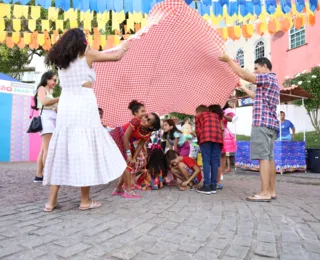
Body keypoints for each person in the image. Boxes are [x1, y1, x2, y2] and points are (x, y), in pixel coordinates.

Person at [42, 28, 129, 212]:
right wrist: (124, 46)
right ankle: (85, 200)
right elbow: (116, 57)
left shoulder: (61, 61)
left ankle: (50, 202)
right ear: (81, 41)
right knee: (84, 148)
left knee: (61, 148)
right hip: (83, 102)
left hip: (66, 103)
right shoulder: (86, 55)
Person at [219, 54, 280, 202]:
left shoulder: (268, 77)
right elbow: (255, 95)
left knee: (263, 158)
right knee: (269, 158)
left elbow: (244, 74)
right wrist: (243, 86)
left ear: (265, 66)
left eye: (256, 68)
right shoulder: (272, 82)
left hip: (262, 123)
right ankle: (271, 191)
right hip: (270, 125)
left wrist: (228, 61)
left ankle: (264, 192)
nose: (255, 71)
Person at [110, 112, 161, 198]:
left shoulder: (147, 133)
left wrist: (134, 158)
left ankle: (118, 189)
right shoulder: (136, 121)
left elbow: (140, 145)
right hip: (118, 136)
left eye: (148, 120)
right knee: (126, 164)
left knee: (130, 164)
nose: (144, 119)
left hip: (127, 142)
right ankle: (128, 190)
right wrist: (129, 154)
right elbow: (125, 137)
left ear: (151, 126)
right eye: (146, 116)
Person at [32, 71, 59, 183]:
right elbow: (45, 102)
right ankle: (48, 175)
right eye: (53, 80)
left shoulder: (50, 91)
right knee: (47, 149)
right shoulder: (41, 89)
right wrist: (59, 98)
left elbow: (54, 107)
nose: (55, 82)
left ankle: (39, 175)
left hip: (51, 119)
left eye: (55, 80)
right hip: (46, 119)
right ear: (46, 79)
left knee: (43, 149)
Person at [195, 104, 223, 194]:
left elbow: (198, 130)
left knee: (206, 160)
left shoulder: (199, 116)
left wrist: (199, 141)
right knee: (215, 161)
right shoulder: (216, 115)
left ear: (198, 112)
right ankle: (213, 186)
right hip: (218, 139)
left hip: (206, 138)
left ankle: (206, 185)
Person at [216, 101, 237, 189]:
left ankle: (219, 178)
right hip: (214, 132)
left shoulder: (227, 110)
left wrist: (222, 115)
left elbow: (232, 119)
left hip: (224, 133)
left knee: (222, 157)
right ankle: (214, 177)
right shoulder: (213, 109)